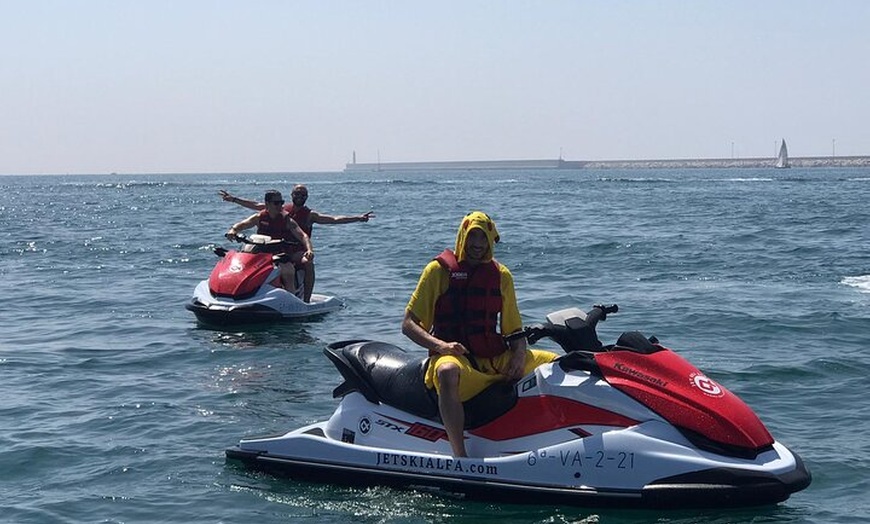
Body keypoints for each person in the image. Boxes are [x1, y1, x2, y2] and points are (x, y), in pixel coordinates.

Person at [401, 211, 557, 457]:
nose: (477, 244)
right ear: (462, 237)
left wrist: (518, 355)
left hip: (492, 358)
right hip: (454, 356)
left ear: (490, 240)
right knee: (447, 372)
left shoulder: (501, 276)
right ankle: (460, 455)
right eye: (472, 236)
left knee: (557, 364)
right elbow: (408, 324)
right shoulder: (437, 271)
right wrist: (441, 346)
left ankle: (551, 441)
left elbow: (514, 330)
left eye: (482, 238)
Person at [219, 185, 374, 302]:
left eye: (303, 194)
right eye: (297, 194)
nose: (299, 196)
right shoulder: (278, 209)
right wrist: (233, 200)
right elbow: (253, 207)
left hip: (294, 251)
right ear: (291, 195)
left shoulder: (306, 215)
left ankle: (304, 300)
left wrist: (358, 218)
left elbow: (332, 220)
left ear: (306, 196)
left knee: (308, 262)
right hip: (268, 249)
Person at [224, 189, 314, 298]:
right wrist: (233, 230)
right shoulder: (259, 217)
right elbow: (242, 224)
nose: (280, 205)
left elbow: (302, 235)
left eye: (281, 202)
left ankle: (292, 298)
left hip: (281, 254)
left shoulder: (286, 220)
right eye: (276, 203)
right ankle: (234, 291)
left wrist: (309, 250)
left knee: (288, 271)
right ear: (267, 204)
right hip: (260, 253)